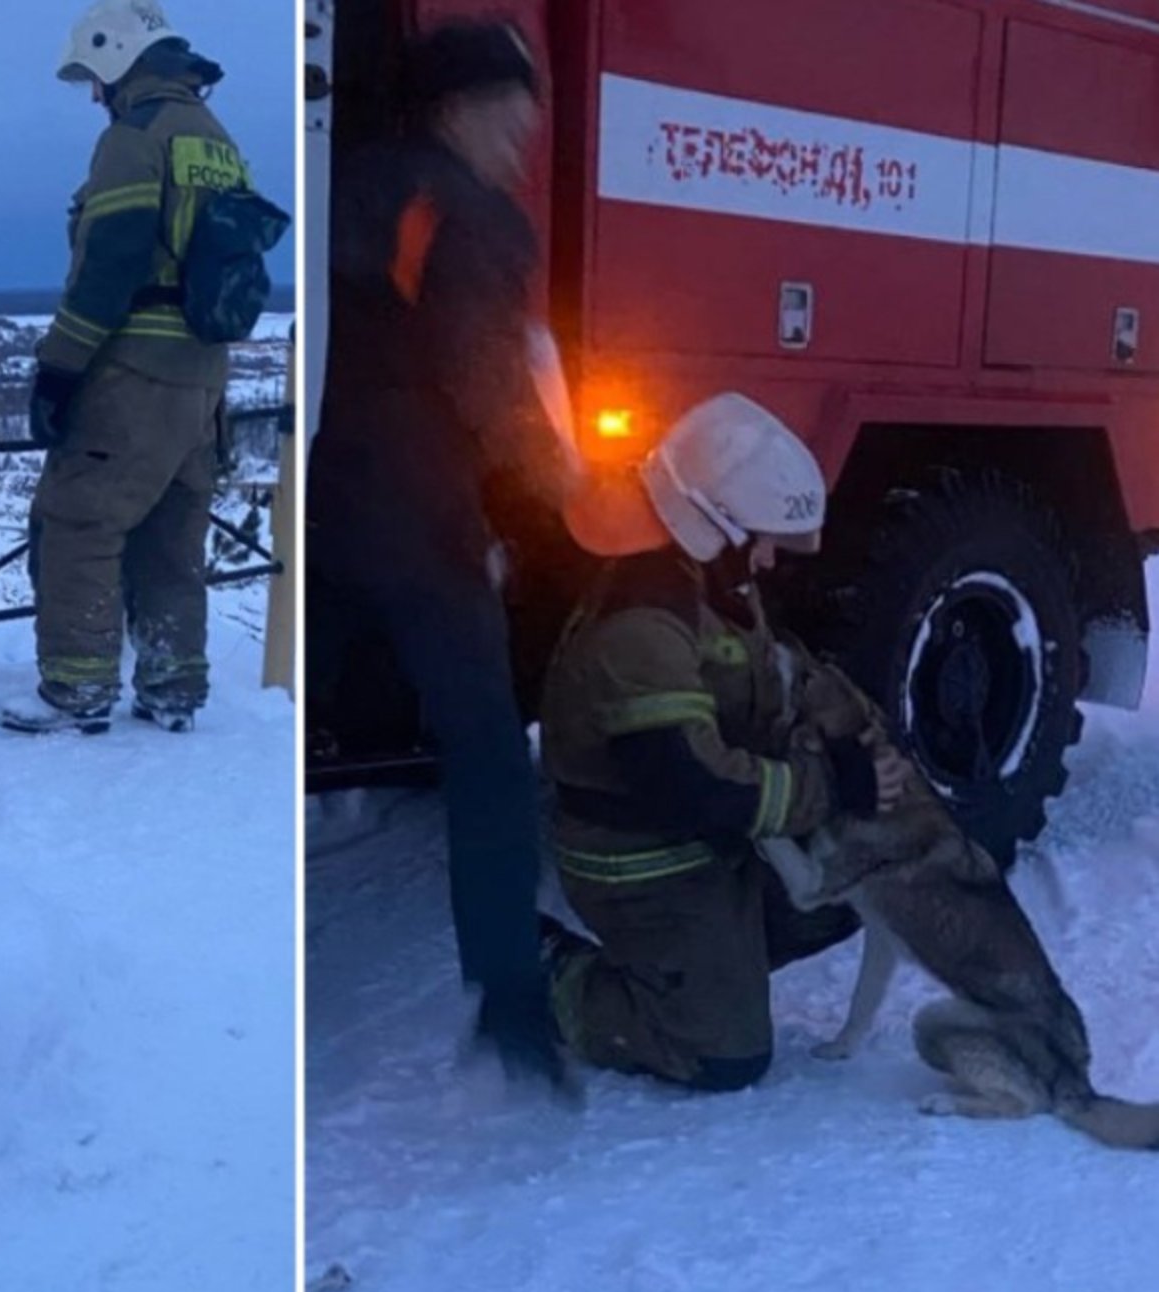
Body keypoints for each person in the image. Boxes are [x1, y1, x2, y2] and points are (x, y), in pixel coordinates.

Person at [305, 21, 579, 1085]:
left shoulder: (354, 184)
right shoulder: (469, 216)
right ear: (460, 105)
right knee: (483, 753)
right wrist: (549, 499)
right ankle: (512, 1006)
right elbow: (488, 381)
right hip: (422, 519)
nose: (524, 131)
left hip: (327, 501)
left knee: (287, 720)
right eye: (512, 108)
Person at [538, 393, 913, 1091]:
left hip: (706, 842)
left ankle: (705, 966)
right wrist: (833, 784)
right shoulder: (642, 625)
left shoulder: (707, 586)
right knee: (725, 1056)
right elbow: (692, 787)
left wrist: (869, 741)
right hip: (644, 864)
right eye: (763, 539)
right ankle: (555, 971)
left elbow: (775, 679)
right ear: (717, 523)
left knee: (848, 894)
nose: (770, 559)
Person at [1, 0, 254, 737]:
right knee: (172, 534)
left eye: (95, 78)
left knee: (80, 518)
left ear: (120, 58)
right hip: (202, 378)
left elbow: (110, 263)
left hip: (134, 371)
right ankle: (174, 687)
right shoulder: (218, 140)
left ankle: (76, 690)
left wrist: (59, 367)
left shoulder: (134, 138)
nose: (93, 95)